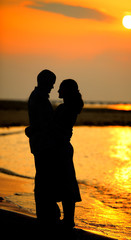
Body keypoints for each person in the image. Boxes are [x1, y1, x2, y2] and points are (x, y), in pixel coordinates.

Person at [25, 69, 61, 226]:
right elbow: (45, 125)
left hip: (39, 144)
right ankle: (46, 215)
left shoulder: (36, 96)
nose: (53, 87)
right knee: (44, 180)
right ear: (46, 82)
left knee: (42, 179)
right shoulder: (39, 98)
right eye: (51, 84)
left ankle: (45, 213)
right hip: (43, 145)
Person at [54, 79, 84, 231]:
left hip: (61, 148)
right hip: (63, 148)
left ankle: (68, 220)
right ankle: (68, 219)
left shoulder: (67, 109)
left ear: (66, 91)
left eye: (60, 89)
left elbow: (56, 128)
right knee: (66, 183)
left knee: (66, 184)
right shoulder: (68, 107)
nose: (58, 91)